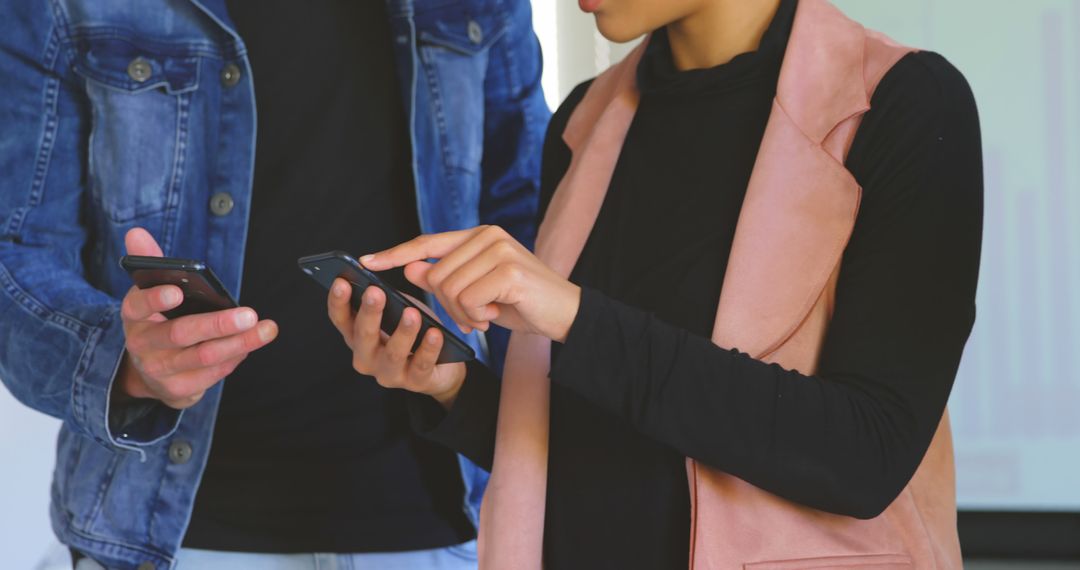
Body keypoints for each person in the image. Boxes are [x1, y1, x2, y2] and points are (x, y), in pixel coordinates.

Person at [328, 0, 983, 567]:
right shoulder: (583, 122)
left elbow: (865, 458)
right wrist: (455, 391)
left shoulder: (906, 102)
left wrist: (575, 317)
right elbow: (611, 444)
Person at [0, 0, 548, 568]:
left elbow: (533, 227)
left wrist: (545, 473)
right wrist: (124, 363)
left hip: (444, 524)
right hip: (170, 537)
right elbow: (15, 251)